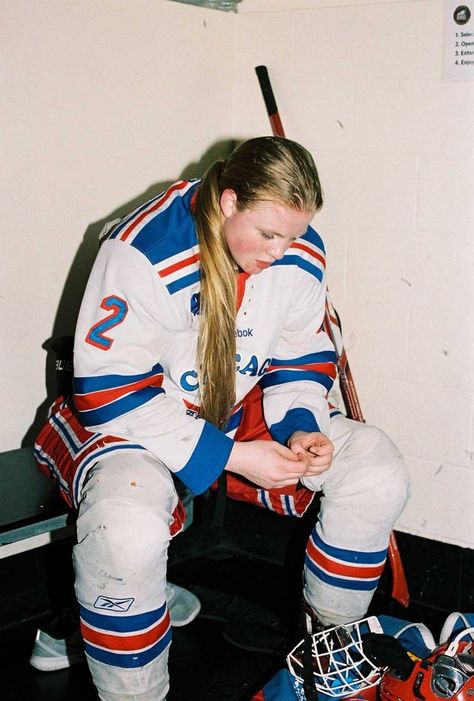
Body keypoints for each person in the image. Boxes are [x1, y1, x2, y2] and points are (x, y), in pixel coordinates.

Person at [33, 136, 409, 701]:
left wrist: (303, 425)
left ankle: (331, 662)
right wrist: (234, 457)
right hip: (128, 414)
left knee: (375, 468)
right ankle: (125, 649)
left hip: (229, 404)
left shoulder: (297, 253)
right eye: (269, 234)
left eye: (295, 234)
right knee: (125, 530)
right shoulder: (145, 250)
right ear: (229, 202)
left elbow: (300, 355)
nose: (282, 250)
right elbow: (107, 389)